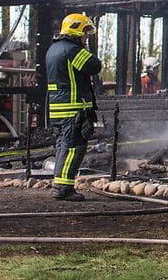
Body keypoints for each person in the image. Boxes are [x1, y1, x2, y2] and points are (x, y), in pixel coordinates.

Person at [46, 13, 102, 201]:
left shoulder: (53, 49)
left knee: (63, 146)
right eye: (85, 32)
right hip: (73, 109)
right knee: (74, 148)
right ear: (76, 29)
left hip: (58, 109)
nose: (87, 37)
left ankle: (60, 184)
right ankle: (64, 189)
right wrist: (84, 47)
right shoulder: (71, 50)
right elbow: (94, 66)